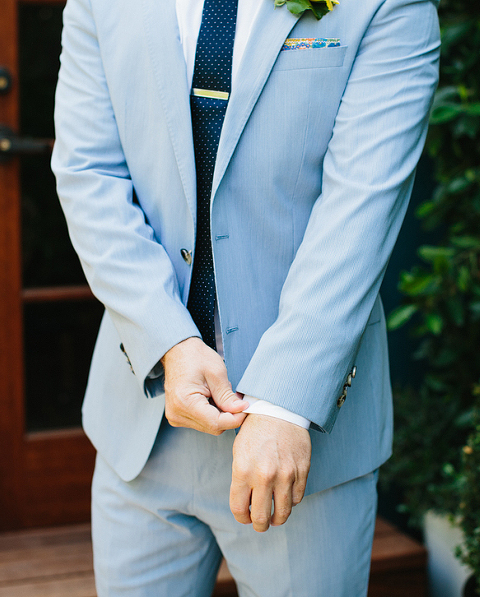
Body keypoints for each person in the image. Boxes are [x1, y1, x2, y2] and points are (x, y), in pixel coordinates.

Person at [51, 0, 439, 594]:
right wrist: (170, 340)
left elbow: (361, 206)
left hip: (303, 441)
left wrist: (285, 403)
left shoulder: (390, 6)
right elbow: (89, 174)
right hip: (143, 426)